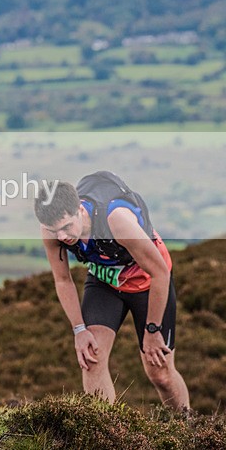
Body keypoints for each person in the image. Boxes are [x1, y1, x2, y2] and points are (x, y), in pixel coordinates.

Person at [34, 171, 189, 410]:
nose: (62, 237)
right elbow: (62, 279)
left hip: (148, 283)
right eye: (54, 231)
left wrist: (152, 329)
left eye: (66, 227)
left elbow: (160, 273)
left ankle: (187, 433)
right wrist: (79, 330)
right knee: (90, 358)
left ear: (79, 209)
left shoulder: (117, 221)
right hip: (105, 281)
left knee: (160, 373)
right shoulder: (52, 230)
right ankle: (107, 435)